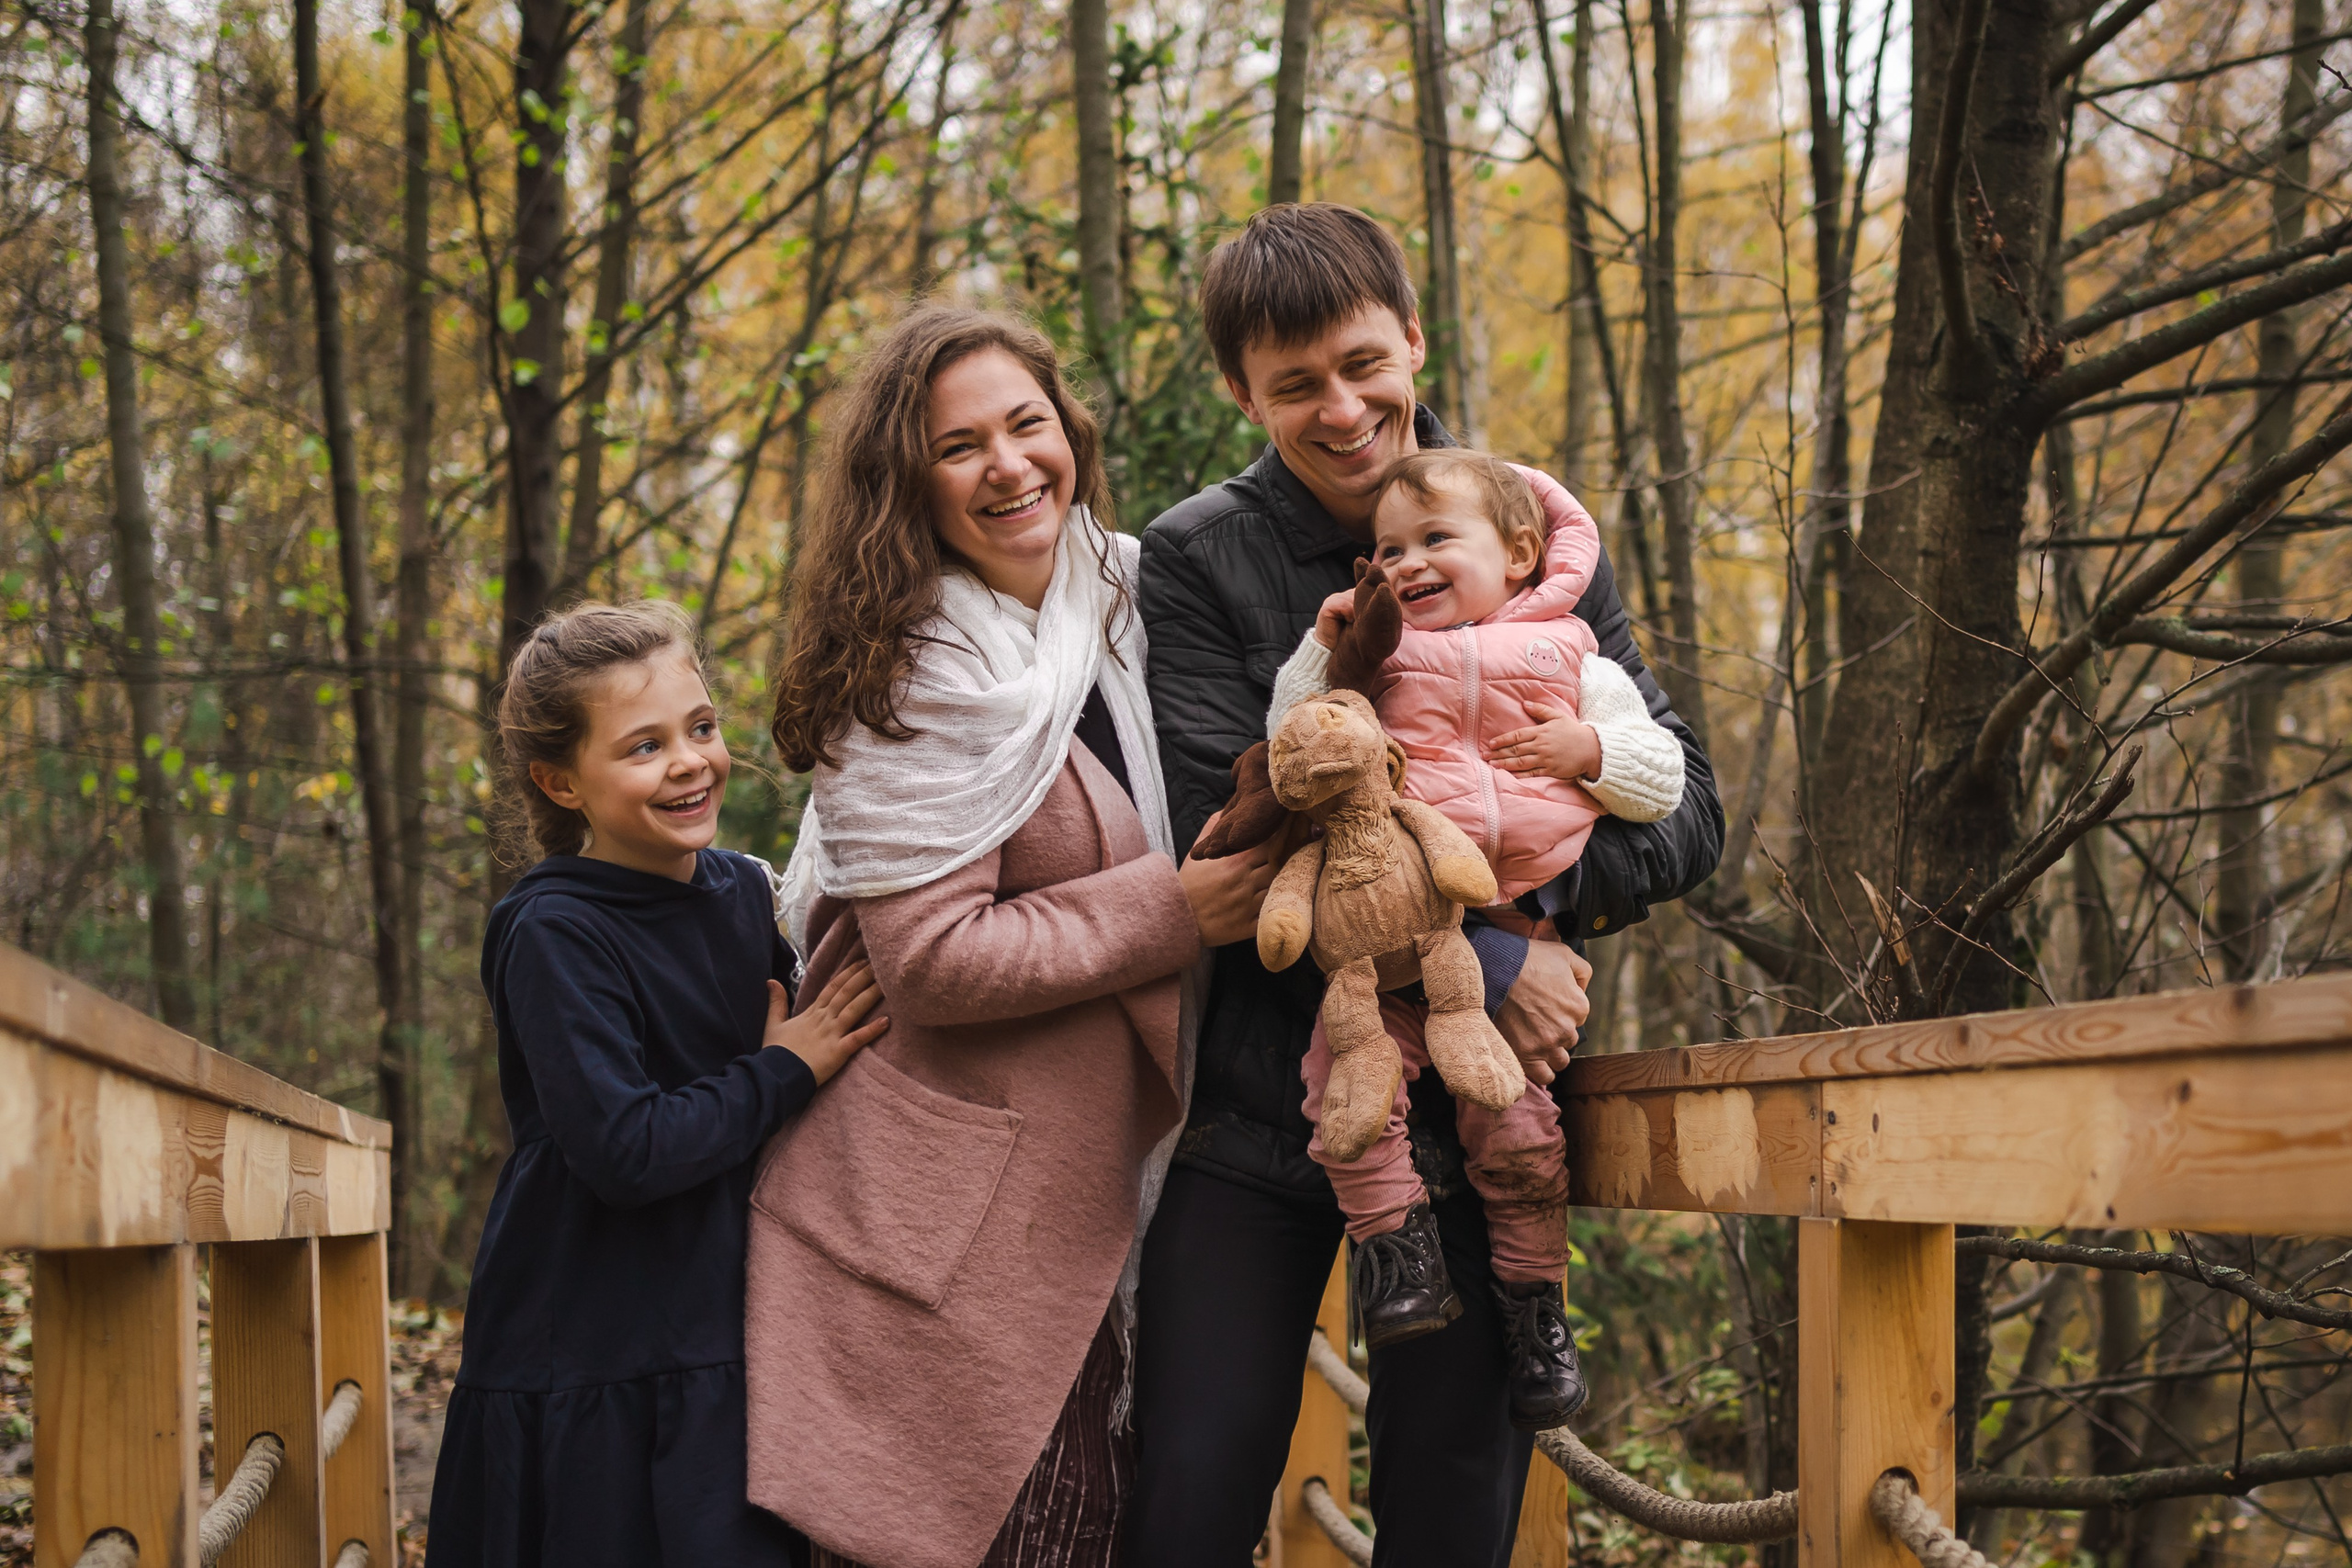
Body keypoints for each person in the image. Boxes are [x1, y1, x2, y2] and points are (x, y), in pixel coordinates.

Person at [1129, 202, 1722, 1565]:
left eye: (1360, 364)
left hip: (1479, 1116)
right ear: (1243, 391)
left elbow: (1684, 803)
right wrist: (1494, 959)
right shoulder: (1199, 556)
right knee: (1188, 1485)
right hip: (1263, 1100)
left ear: (1411, 335)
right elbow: (1220, 831)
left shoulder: (1523, 526)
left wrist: (1541, 922)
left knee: (1452, 1519)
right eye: (1294, 386)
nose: (1341, 410)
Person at [749, 305, 1272, 1568]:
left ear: (1069, 430)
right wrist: (1176, 912)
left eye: (1028, 424)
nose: (1010, 465)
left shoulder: (1137, 601)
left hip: (1104, 1185)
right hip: (948, 1217)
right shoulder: (906, 670)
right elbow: (932, 961)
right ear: (906, 483)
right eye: (960, 444)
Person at [426, 599, 887, 1568]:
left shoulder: (743, 895)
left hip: (725, 1329)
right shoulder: (552, 930)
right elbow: (625, 1147)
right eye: (643, 747)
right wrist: (781, 1069)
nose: (689, 762)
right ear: (561, 783)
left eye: (702, 728)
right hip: (592, 1344)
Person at [1272, 447, 1686, 1431]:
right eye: (1386, 548)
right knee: (1343, 1093)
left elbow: (1663, 782)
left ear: (1517, 555)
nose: (1405, 563)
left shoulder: (1571, 652)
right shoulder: (1375, 655)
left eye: (1434, 540)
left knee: (1519, 1135)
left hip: (1504, 945)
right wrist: (1326, 651)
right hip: (1384, 942)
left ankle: (1533, 1301)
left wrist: (1591, 752)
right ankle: (1396, 1251)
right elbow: (1295, 740)